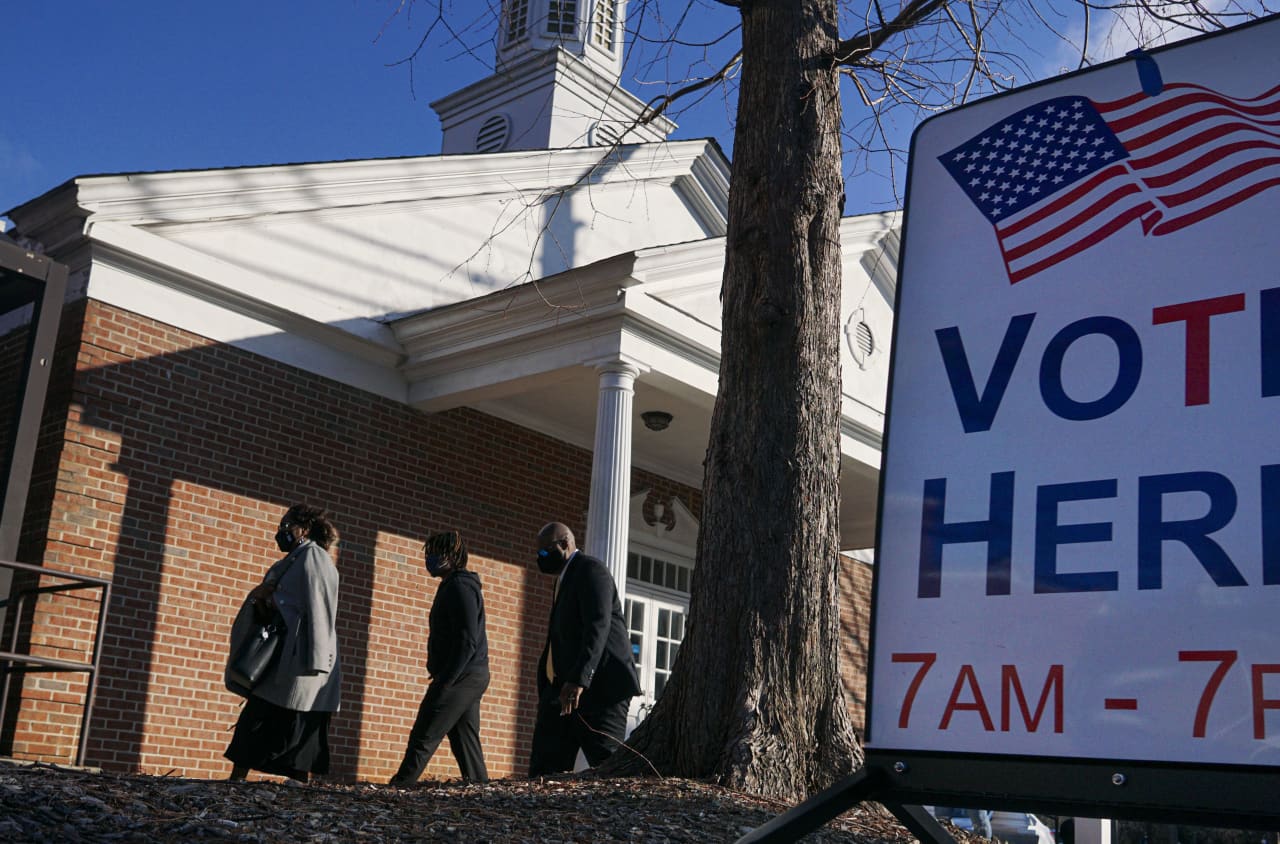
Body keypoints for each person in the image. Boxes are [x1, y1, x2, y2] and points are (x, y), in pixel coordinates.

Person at [224, 504, 342, 782]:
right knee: (260, 720)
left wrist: (270, 597)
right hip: (285, 660)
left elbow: (317, 606)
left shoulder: (314, 558)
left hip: (302, 660)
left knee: (293, 726)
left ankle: (292, 790)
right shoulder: (294, 561)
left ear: (304, 530)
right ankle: (237, 782)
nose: (281, 532)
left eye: (286, 525)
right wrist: (262, 598)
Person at [528, 522, 641, 776]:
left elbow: (598, 625)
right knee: (544, 770)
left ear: (566, 544)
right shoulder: (563, 580)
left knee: (607, 768)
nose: (541, 559)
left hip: (601, 691)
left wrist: (580, 678)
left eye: (545, 553)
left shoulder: (591, 570)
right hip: (561, 692)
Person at [389, 530, 490, 784]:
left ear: (453, 556)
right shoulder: (453, 585)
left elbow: (468, 639)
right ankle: (481, 789)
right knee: (465, 740)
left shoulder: (460, 586)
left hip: (462, 676)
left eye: (436, 553)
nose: (430, 559)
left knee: (425, 732)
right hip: (469, 675)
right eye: (428, 553)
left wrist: (446, 680)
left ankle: (400, 786)